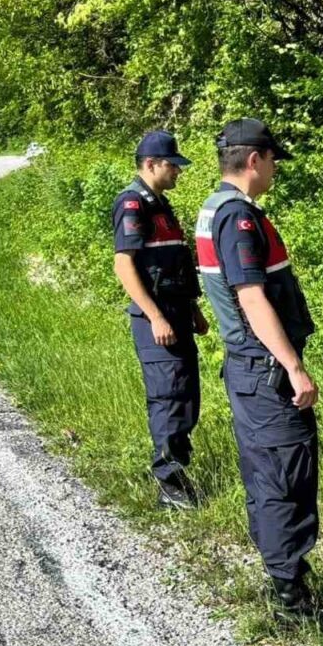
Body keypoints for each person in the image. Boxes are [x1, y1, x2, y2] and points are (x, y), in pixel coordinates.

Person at [195, 118, 320, 618]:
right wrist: (292, 366)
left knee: (271, 473)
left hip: (250, 368)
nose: (274, 170)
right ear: (254, 160)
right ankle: (292, 598)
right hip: (264, 368)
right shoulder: (237, 218)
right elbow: (250, 295)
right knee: (283, 476)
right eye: (272, 160)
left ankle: (289, 579)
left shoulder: (214, 209)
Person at [111, 130, 208, 510]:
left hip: (177, 314)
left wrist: (193, 309)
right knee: (169, 398)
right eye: (173, 165)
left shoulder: (161, 206)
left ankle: (178, 474)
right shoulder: (133, 204)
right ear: (151, 164)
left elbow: (175, 264)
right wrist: (154, 316)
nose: (178, 172)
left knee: (186, 397)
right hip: (157, 321)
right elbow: (124, 264)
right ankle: (169, 484)